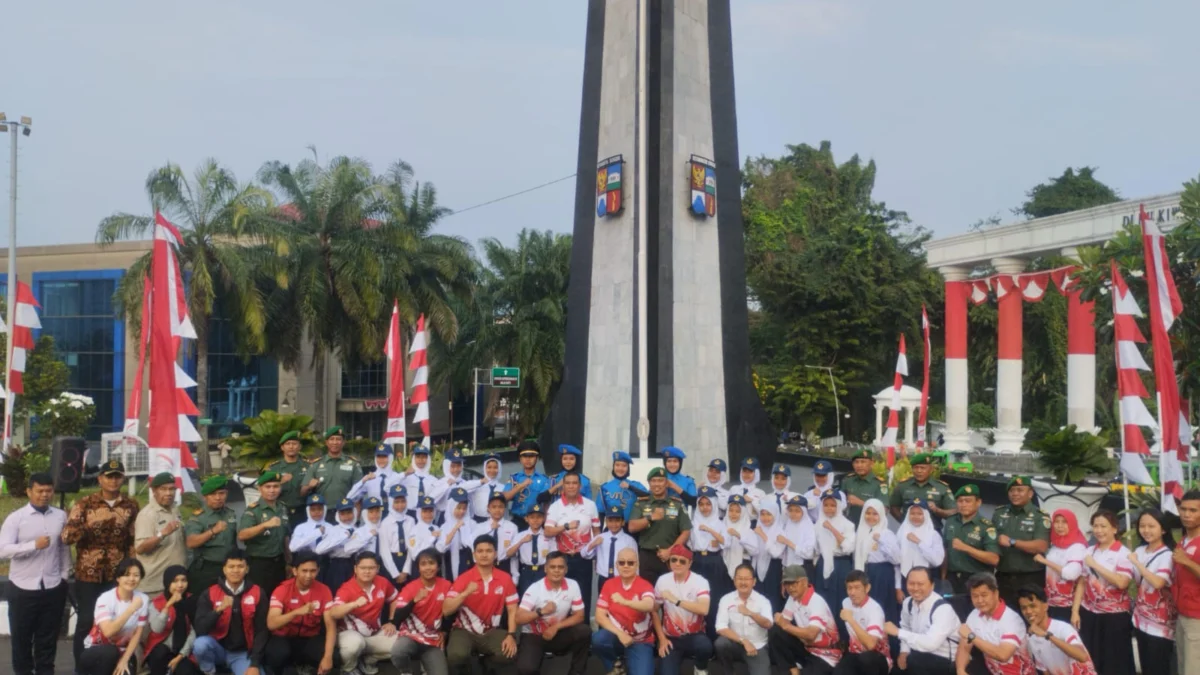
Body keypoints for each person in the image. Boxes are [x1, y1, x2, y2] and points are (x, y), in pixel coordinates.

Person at [62, 458, 140, 664]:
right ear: (100, 479)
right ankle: (82, 666)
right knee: (87, 620)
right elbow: (66, 537)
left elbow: (132, 538)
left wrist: (132, 569)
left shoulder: (131, 505)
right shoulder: (85, 504)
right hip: (89, 573)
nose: (113, 481)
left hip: (116, 574)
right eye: (109, 476)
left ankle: (111, 665)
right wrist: (89, 526)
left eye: (117, 476)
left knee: (116, 620)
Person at [0, 472, 71, 675]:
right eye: (39, 491)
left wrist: (64, 575)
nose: (44, 495)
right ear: (29, 491)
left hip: (52, 586)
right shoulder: (17, 518)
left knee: (47, 639)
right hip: (23, 587)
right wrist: (33, 545)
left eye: (48, 491)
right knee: (22, 639)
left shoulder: (60, 516)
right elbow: (3, 550)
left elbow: (63, 548)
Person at [443, 535, 519, 675]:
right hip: (464, 630)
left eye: (488, 551)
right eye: (480, 551)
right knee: (456, 656)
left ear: (495, 554)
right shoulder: (464, 578)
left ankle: (487, 665)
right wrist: (465, 593)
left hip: (491, 630)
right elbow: (446, 610)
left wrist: (511, 634)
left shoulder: (505, 578)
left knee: (510, 653)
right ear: (474, 554)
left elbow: (512, 609)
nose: (484, 555)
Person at [1073, 509, 1133, 675]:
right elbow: (1082, 582)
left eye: (1103, 526)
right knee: (1092, 658)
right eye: (1096, 526)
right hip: (1090, 613)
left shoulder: (1123, 553)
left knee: (1115, 660)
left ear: (1114, 529)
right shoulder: (1089, 551)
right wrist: (1075, 611)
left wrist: (1095, 565)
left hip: (1114, 616)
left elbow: (1122, 582)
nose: (1099, 530)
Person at [192, 551, 269, 675]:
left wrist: (254, 663)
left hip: (242, 653)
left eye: (240, 566)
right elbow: (200, 629)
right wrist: (218, 611)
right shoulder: (210, 593)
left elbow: (262, 631)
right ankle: (209, 671)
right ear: (224, 570)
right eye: (231, 567)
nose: (236, 570)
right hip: (216, 648)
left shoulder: (257, 592)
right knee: (200, 645)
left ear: (247, 569)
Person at [515, 551, 590, 675]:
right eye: (552, 567)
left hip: (558, 633)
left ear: (566, 569)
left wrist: (556, 627)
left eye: (560, 567)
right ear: (545, 569)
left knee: (584, 631)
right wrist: (541, 611)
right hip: (534, 636)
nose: (556, 570)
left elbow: (580, 616)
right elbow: (518, 618)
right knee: (526, 669)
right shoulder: (535, 588)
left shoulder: (573, 585)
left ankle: (576, 673)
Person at [263, 551, 338, 675]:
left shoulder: (324, 590)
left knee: (334, 658)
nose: (308, 575)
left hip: (309, 637)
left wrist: (327, 657)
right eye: (304, 571)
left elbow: (330, 626)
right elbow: (271, 623)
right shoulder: (282, 589)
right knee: (276, 655)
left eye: (312, 571)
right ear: (295, 571)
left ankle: (305, 666)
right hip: (284, 637)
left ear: (318, 571)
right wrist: (296, 612)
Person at [329, 551, 400, 675]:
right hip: (349, 635)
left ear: (377, 569)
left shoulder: (382, 582)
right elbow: (334, 613)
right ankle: (348, 668)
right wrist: (353, 604)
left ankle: (368, 659)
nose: (367, 571)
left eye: (371, 568)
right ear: (355, 569)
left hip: (373, 634)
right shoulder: (346, 588)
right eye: (363, 568)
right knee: (355, 644)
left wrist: (391, 621)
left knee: (404, 643)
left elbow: (395, 599)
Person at [77, 558, 149, 675]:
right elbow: (108, 632)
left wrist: (124, 660)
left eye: (136, 575)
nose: (131, 579)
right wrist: (131, 609)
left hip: (123, 651)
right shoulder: (105, 598)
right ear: (118, 578)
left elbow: (137, 634)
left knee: (125, 670)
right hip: (97, 650)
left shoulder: (143, 599)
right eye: (127, 575)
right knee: (110, 652)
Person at [884, 566, 960, 675]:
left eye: (920, 584)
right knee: (896, 669)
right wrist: (904, 651)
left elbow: (931, 643)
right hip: (919, 654)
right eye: (911, 583)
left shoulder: (943, 609)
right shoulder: (908, 603)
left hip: (946, 659)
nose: (915, 588)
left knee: (914, 662)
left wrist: (897, 632)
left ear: (932, 585)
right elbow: (906, 627)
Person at [592, 548, 656, 675]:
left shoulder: (645, 585)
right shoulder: (609, 584)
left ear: (637, 565)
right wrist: (620, 634)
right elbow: (599, 616)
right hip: (617, 637)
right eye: (622, 563)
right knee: (598, 639)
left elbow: (649, 605)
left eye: (630, 563)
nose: (626, 566)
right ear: (616, 565)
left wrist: (625, 602)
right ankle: (616, 666)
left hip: (641, 641)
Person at [955, 572, 1034, 675]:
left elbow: (1003, 655)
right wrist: (960, 670)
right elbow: (964, 647)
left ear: (996, 593)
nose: (980, 600)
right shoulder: (974, 615)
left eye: (984, 595)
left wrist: (971, 636)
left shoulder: (1012, 619)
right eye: (975, 596)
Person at [768, 565, 841, 675]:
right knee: (775, 631)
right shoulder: (792, 599)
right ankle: (792, 668)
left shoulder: (817, 601)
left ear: (805, 582)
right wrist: (783, 623)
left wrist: (785, 625)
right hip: (806, 648)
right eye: (787, 584)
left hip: (826, 653)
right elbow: (783, 622)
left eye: (794, 583)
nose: (791, 587)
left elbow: (811, 634)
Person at [1130, 507, 1178, 674]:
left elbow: (1158, 582)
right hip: (1140, 619)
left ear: (1163, 529)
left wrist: (1137, 564)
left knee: (1159, 667)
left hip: (1161, 624)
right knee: (1146, 666)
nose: (1146, 530)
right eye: (1142, 526)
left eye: (1151, 526)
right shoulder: (1139, 551)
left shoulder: (1167, 555)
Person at [390, 548, 452, 675]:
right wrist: (414, 601)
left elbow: (451, 612)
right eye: (423, 564)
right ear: (418, 568)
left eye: (431, 563)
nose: (428, 567)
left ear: (438, 566)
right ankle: (406, 672)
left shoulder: (446, 585)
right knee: (398, 651)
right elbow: (397, 618)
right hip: (411, 636)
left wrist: (445, 632)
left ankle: (426, 668)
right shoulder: (410, 588)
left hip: (432, 640)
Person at [653, 545, 713, 675]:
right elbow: (653, 611)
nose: (677, 564)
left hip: (695, 635)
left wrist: (676, 601)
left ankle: (700, 667)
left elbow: (704, 609)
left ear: (690, 563)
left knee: (705, 646)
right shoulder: (662, 580)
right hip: (671, 638)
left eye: (682, 561)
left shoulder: (700, 581)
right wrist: (662, 639)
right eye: (673, 560)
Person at [543, 471, 598, 611]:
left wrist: (597, 557)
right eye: (568, 483)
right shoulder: (556, 506)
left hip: (583, 558)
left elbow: (597, 533)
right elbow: (548, 531)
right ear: (563, 486)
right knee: (563, 598)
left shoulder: (590, 505)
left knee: (584, 596)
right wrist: (565, 526)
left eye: (575, 483)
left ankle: (584, 630)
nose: (571, 486)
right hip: (562, 558)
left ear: (580, 486)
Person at [992, 475, 1050, 606]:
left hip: (1031, 577)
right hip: (1004, 577)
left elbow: (1041, 546)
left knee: (1031, 616)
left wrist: (1013, 542)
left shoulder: (1039, 516)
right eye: (1012, 490)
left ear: (1030, 493)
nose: (1015, 494)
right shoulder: (999, 513)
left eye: (1020, 490)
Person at [1016, 584, 1098, 675]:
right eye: (1024, 608)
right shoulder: (1032, 638)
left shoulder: (1063, 628)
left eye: (1033, 606)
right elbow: (1046, 671)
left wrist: (1047, 635)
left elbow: (1082, 656)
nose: (1028, 611)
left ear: (1045, 606)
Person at [628, 466, 692, 583]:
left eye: (660, 480)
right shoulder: (641, 503)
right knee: (647, 595)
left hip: (670, 558)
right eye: (653, 481)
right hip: (647, 557)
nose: (657, 484)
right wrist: (650, 518)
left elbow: (686, 531)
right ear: (649, 483)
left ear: (666, 483)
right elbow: (632, 527)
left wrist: (670, 551)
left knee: (669, 595)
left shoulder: (677, 504)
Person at [713, 563, 773, 675]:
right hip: (735, 643)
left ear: (754, 581)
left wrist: (750, 613)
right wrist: (744, 641)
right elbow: (720, 627)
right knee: (721, 643)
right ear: (734, 580)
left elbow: (768, 624)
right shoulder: (726, 599)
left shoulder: (763, 601)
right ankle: (729, 672)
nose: (743, 582)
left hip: (757, 646)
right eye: (740, 578)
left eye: (747, 579)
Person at [239, 471, 291, 598]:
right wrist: (264, 525)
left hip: (279, 562)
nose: (272, 490)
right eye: (268, 487)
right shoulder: (253, 510)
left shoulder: (282, 507)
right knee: (260, 599)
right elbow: (242, 535)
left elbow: (285, 536)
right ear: (259, 488)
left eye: (276, 486)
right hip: (259, 564)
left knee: (279, 597)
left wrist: (289, 561)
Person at [134, 472, 187, 596]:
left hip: (176, 583)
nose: (168, 493)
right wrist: (163, 533)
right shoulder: (147, 515)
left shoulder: (175, 508)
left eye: (172, 489)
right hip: (156, 585)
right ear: (154, 491)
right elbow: (140, 548)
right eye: (163, 489)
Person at [941, 484, 999, 596]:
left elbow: (994, 559)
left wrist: (966, 548)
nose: (963, 504)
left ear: (978, 503)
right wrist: (943, 576)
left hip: (977, 579)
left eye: (968, 501)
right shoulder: (951, 522)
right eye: (960, 501)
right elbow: (945, 550)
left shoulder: (986, 527)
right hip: (952, 578)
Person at [185, 476, 240, 593]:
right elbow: (191, 542)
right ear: (205, 497)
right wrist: (213, 531)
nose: (218, 498)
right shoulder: (199, 517)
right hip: (207, 569)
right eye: (213, 494)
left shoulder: (230, 513)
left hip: (228, 568)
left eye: (222, 493)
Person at [852, 499, 900, 630]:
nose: (871, 517)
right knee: (866, 608)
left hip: (881, 574)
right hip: (866, 573)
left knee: (881, 607)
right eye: (868, 513)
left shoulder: (886, 533)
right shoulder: (861, 531)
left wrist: (881, 541)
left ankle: (885, 643)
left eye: (875, 514)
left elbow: (896, 559)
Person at [1032, 508, 1087, 622]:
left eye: (1064, 522)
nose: (1060, 526)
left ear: (1072, 524)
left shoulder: (1077, 547)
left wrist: (1045, 561)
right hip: (1052, 603)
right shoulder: (1055, 545)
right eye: (1057, 522)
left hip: (1070, 606)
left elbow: (1071, 574)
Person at [144, 565, 200, 675]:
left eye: (183, 580)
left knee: (187, 672)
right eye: (175, 581)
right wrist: (168, 606)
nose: (180, 585)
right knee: (160, 653)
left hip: (184, 651)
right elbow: (157, 629)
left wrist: (180, 656)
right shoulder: (156, 602)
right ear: (167, 582)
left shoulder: (192, 601)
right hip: (161, 650)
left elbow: (195, 631)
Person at [690, 486, 730, 640]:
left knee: (714, 600)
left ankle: (713, 638)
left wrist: (711, 531)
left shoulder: (719, 523)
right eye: (701, 504)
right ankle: (696, 638)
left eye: (708, 504)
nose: (704, 508)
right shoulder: (693, 523)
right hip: (697, 561)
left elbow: (726, 543)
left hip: (714, 562)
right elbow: (689, 543)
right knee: (695, 598)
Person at [836, 570, 892, 675]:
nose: (852, 593)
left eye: (857, 588)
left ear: (867, 588)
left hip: (878, 657)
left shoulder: (875, 609)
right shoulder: (845, 602)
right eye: (849, 588)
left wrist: (851, 620)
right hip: (855, 653)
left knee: (866, 659)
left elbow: (871, 645)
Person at [814, 489, 855, 623]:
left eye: (832, 505)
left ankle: (842, 638)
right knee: (823, 599)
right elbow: (815, 549)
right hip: (823, 565)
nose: (829, 508)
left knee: (841, 600)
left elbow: (848, 548)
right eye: (826, 505)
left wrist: (832, 529)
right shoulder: (817, 524)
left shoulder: (848, 524)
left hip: (841, 565)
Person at [303, 426, 363, 516]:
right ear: (326, 442)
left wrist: (357, 519)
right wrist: (309, 486)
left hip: (346, 512)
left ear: (343, 442)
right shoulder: (316, 465)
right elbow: (302, 491)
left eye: (338, 439)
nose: (335, 442)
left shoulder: (353, 464)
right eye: (332, 439)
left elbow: (359, 494)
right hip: (321, 513)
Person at [888, 453, 955, 526]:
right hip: (908, 531)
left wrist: (937, 510)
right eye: (916, 467)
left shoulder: (941, 487)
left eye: (923, 468)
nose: (919, 471)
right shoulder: (903, 486)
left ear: (931, 469)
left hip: (933, 531)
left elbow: (953, 512)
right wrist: (904, 522)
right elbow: (893, 507)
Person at [1174, 490, 1200, 675]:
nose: (1186, 514)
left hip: (1197, 617)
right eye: (1183, 509)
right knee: (1184, 668)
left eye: (1193, 510)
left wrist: (1187, 562)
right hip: (1182, 613)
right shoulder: (1183, 540)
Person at [584, 504, 638, 591]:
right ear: (606, 521)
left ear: (623, 522)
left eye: (617, 520)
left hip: (622, 578)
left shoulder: (629, 541)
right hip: (603, 578)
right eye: (610, 520)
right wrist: (593, 544)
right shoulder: (600, 537)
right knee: (603, 603)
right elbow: (584, 554)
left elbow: (636, 563)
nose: (614, 524)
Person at [742, 503, 785, 611]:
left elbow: (776, 553)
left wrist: (763, 535)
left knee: (772, 600)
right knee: (757, 598)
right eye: (762, 514)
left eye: (769, 514)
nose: (765, 518)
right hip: (756, 567)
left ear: (775, 515)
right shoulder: (757, 529)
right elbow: (753, 551)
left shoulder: (780, 532)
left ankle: (772, 626)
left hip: (774, 569)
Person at [509, 501, 555, 598]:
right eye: (532, 517)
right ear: (526, 519)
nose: (535, 520)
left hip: (543, 571)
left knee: (543, 599)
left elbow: (553, 557)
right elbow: (509, 554)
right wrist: (521, 542)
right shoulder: (520, 536)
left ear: (543, 519)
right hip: (526, 572)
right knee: (525, 599)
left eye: (538, 517)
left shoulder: (548, 537)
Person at [503, 440, 551, 530]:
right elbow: (504, 498)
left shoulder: (545, 480)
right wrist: (520, 486)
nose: (528, 459)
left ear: (537, 458)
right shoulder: (514, 478)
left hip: (537, 521)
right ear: (520, 459)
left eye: (532, 456)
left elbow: (545, 503)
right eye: (524, 456)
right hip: (518, 521)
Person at [267, 430, 311, 528]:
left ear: (299, 447)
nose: (291, 446)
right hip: (280, 511)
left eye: (294, 444)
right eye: (288, 444)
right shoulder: (274, 468)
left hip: (303, 511)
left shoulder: (308, 466)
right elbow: (266, 491)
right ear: (282, 447)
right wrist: (281, 482)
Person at [470, 493, 519, 579]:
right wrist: (490, 528)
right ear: (488, 508)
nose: (497, 510)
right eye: (494, 507)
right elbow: (473, 548)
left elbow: (514, 555)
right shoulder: (480, 527)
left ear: (505, 508)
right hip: (484, 567)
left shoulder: (512, 527)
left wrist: (515, 576)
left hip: (503, 566)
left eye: (500, 507)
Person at [897, 499, 944, 587]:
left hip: (927, 577)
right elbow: (897, 560)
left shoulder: (933, 535)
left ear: (925, 515)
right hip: (905, 578)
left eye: (919, 514)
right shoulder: (901, 532)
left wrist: (919, 543)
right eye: (912, 513)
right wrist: (898, 586)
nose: (916, 516)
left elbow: (937, 561)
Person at [318, 498, 361, 592]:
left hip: (354, 564)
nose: (346, 517)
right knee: (337, 591)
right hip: (337, 565)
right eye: (343, 514)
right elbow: (320, 550)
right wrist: (342, 536)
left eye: (349, 512)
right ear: (338, 515)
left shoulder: (358, 530)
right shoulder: (333, 530)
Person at [597, 451, 649, 523]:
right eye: (617, 465)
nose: (620, 468)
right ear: (613, 466)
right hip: (613, 528)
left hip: (632, 528)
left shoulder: (635, 484)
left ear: (628, 468)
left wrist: (630, 487)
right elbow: (601, 513)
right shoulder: (605, 487)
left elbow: (648, 495)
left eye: (624, 466)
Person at [379, 486, 415, 587]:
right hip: (391, 562)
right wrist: (395, 573)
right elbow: (384, 551)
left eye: (403, 501)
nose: (400, 505)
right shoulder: (385, 523)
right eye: (396, 502)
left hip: (408, 560)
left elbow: (412, 546)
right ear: (391, 502)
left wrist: (406, 571)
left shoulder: (411, 521)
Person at [838, 449, 886, 524]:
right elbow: (839, 502)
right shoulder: (848, 480)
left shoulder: (879, 484)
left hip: (869, 526)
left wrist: (861, 503)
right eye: (856, 462)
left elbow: (885, 510)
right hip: (847, 525)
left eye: (863, 462)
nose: (859, 465)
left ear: (872, 463)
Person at [436, 487, 473, 580]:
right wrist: (455, 528)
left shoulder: (472, 524)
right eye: (458, 508)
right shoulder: (445, 527)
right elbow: (441, 548)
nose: (462, 511)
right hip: (451, 559)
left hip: (468, 558)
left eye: (464, 508)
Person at [778, 494, 818, 581]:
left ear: (804, 512)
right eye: (791, 510)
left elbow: (809, 553)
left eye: (797, 511)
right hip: (788, 567)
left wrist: (788, 543)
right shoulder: (788, 524)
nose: (793, 514)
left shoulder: (809, 527)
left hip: (803, 568)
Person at [399, 446, 448, 514]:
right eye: (418, 457)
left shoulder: (434, 480)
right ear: (414, 459)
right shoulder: (406, 478)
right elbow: (387, 487)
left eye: (424, 457)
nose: (421, 460)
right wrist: (404, 474)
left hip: (427, 514)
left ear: (428, 459)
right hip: (409, 514)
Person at [439, 448, 483, 520]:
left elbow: (470, 503)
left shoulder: (465, 482)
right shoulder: (441, 483)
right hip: (445, 518)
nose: (456, 469)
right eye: (452, 466)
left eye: (459, 466)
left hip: (463, 516)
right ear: (447, 466)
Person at [346, 496, 386, 563]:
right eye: (371, 512)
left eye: (377, 511)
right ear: (365, 513)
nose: (375, 514)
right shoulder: (360, 531)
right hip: (365, 565)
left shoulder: (384, 528)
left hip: (383, 564)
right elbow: (348, 549)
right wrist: (368, 536)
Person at [471, 454, 506, 521]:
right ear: (484, 468)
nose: (492, 470)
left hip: (498, 520)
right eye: (489, 467)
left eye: (495, 467)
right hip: (479, 520)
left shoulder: (503, 487)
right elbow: (462, 488)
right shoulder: (477, 485)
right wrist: (480, 482)